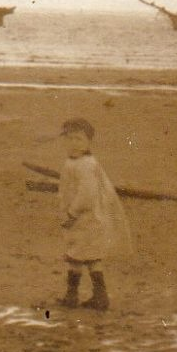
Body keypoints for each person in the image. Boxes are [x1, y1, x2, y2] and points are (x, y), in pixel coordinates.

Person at [57, 117, 131, 311]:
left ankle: (79, 296)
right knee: (87, 257)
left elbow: (86, 195)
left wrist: (71, 213)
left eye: (79, 139)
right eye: (70, 139)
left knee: (80, 257)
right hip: (84, 220)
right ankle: (94, 296)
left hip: (86, 219)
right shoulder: (74, 162)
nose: (74, 144)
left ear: (89, 142)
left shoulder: (86, 165)